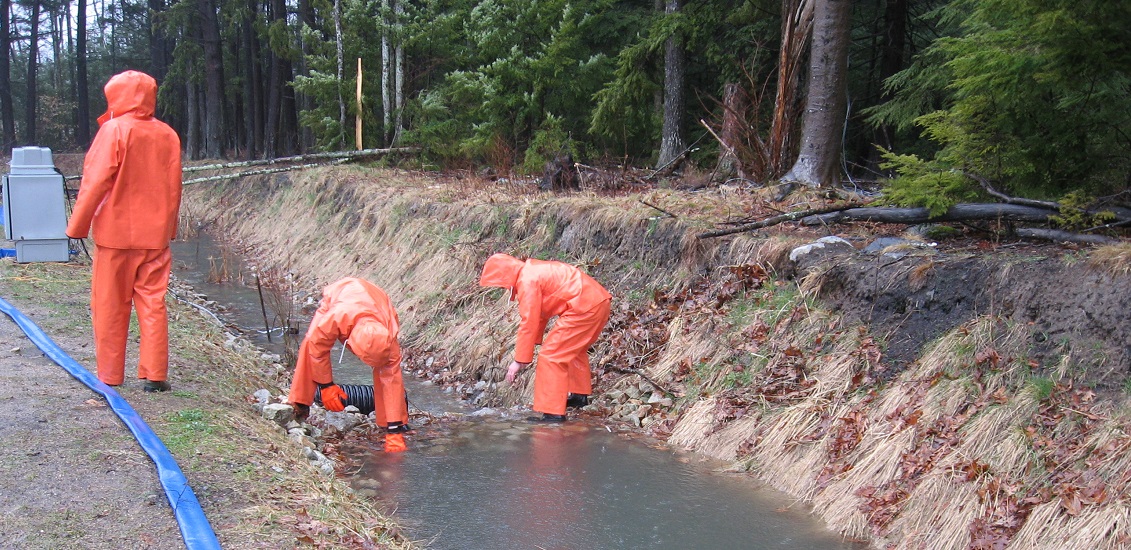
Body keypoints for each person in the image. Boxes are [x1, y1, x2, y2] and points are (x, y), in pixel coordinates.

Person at [65, 70, 182, 392]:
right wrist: (168, 228)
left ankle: (110, 375)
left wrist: (77, 226)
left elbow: (95, 182)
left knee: (110, 305)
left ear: (116, 96)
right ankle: (155, 375)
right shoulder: (168, 134)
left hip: (116, 236)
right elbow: (174, 188)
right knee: (153, 303)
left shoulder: (113, 130)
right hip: (155, 237)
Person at [479, 253, 611, 422]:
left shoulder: (527, 281)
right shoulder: (532, 271)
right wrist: (531, 346)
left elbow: (529, 321)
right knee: (573, 350)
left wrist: (519, 361)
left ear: (505, 275)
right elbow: (540, 316)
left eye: (501, 284)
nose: (504, 288)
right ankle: (579, 396)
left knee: (551, 356)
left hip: (584, 307)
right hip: (598, 302)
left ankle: (553, 412)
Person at [287, 277, 410, 452]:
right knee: (309, 343)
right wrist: (326, 386)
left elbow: (392, 380)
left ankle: (388, 425)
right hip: (341, 295)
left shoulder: (389, 335)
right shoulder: (335, 317)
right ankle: (299, 402)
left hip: (376, 301)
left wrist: (395, 429)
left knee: (387, 371)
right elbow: (318, 348)